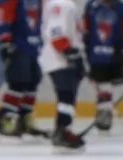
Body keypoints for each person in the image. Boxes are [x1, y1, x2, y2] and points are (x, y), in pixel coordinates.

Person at [37, 0, 90, 149]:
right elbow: (56, 31)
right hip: (58, 58)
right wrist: (67, 51)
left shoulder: (64, 4)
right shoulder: (60, 4)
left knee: (68, 96)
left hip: (63, 58)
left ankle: (64, 130)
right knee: (66, 95)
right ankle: (62, 131)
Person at [81, 0, 123, 134]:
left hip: (115, 53)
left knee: (108, 84)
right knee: (102, 84)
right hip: (96, 54)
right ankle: (104, 112)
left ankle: (104, 112)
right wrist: (83, 48)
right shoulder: (91, 6)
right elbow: (85, 29)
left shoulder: (122, 7)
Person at [0, 0, 43, 138]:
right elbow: (3, 14)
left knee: (33, 81)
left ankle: (24, 119)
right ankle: (6, 120)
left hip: (33, 45)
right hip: (17, 45)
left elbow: (39, 18)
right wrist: (5, 40)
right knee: (18, 83)